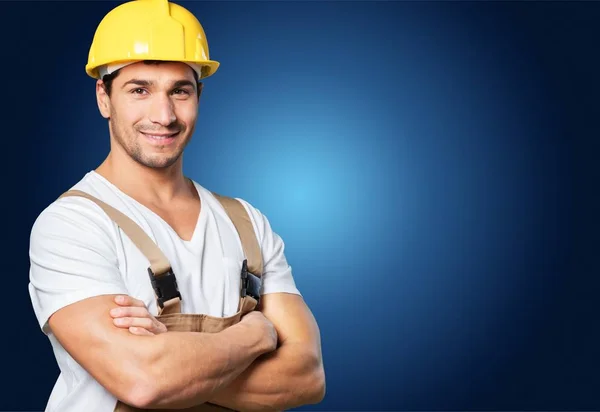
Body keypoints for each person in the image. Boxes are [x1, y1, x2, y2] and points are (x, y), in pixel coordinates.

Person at [27, 0, 326, 411]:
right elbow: (143, 382)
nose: (164, 115)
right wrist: (253, 335)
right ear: (104, 97)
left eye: (179, 91)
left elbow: (307, 377)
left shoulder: (247, 224)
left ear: (198, 95)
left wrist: (172, 357)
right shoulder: (71, 226)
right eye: (140, 90)